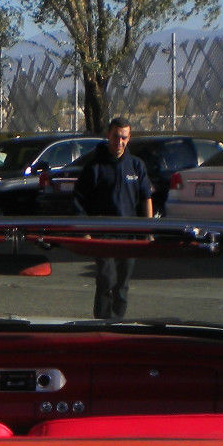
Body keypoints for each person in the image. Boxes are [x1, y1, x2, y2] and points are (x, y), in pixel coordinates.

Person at [72, 116, 152, 320]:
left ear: (129, 138)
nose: (120, 142)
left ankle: (117, 323)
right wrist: (86, 232)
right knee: (106, 281)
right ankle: (101, 323)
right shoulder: (95, 166)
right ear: (108, 136)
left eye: (124, 138)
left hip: (130, 236)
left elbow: (146, 198)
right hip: (103, 236)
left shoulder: (136, 166)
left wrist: (147, 230)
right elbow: (78, 200)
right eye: (116, 137)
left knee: (122, 286)